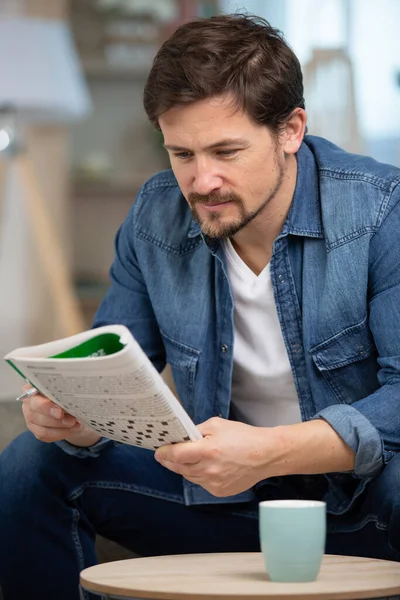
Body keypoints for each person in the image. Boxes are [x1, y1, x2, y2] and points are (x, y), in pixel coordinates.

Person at [1, 12, 400, 600]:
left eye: (226, 151)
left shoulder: (380, 210)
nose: (202, 180)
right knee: (33, 462)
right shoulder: (154, 216)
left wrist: (269, 452)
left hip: (362, 507)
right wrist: (79, 422)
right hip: (216, 499)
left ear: (291, 130)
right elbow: (111, 364)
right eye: (181, 153)